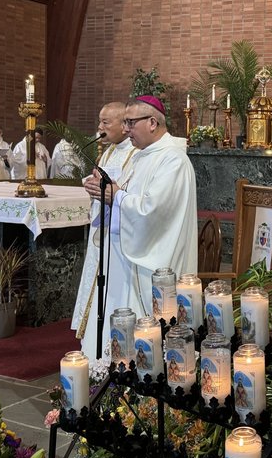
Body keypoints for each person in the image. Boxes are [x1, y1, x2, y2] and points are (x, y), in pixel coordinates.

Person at [82, 95, 198, 321]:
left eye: (130, 123)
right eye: (124, 123)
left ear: (152, 123)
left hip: (154, 262)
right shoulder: (141, 156)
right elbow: (124, 195)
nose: (125, 130)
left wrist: (115, 196)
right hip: (128, 258)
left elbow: (151, 211)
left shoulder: (173, 160)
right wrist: (105, 190)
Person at [71, 102, 138, 359]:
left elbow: (129, 192)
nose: (99, 127)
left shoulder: (135, 154)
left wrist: (110, 191)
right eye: (99, 122)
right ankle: (92, 345)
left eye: (105, 122)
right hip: (102, 229)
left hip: (119, 232)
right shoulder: (108, 152)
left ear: (124, 125)